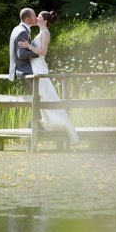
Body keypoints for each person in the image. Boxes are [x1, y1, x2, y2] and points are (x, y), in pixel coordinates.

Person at [18, 11, 79, 146]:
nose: (37, 18)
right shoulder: (40, 33)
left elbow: (43, 51)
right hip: (35, 67)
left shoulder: (45, 33)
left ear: (45, 21)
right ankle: (51, 124)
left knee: (47, 95)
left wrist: (28, 46)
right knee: (43, 96)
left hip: (39, 68)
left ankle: (62, 124)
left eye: (39, 17)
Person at [9, 8, 39, 93]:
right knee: (36, 97)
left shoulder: (17, 28)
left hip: (20, 69)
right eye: (34, 16)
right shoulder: (23, 32)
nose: (36, 18)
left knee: (34, 98)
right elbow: (21, 54)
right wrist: (38, 52)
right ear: (27, 19)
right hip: (25, 71)